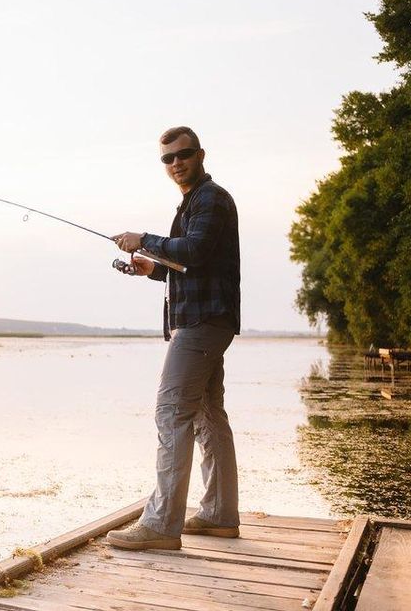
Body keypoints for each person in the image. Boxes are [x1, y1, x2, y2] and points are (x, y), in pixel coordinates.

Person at [105, 125, 242, 550]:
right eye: (167, 159)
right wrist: (153, 268)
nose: (175, 163)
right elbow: (189, 263)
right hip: (204, 321)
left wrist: (144, 239)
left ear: (200, 154)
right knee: (207, 414)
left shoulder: (211, 200)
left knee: (171, 413)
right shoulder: (192, 203)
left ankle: (162, 526)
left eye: (182, 155)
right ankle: (220, 516)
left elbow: (195, 250)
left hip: (203, 323)